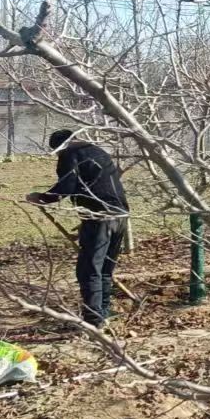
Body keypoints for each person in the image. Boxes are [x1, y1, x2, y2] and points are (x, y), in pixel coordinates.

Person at [28, 129, 129, 327]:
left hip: (99, 217)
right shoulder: (96, 150)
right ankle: (104, 312)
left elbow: (67, 185)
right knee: (105, 268)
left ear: (59, 148)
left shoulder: (69, 153)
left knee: (89, 270)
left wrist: (42, 198)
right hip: (120, 215)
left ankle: (93, 320)